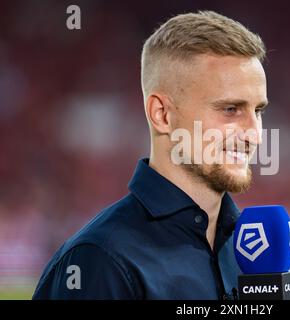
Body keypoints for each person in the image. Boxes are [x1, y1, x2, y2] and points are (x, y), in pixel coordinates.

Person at [33, 10, 268, 299]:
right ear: (162, 114)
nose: (254, 134)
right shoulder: (101, 260)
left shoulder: (252, 250)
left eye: (258, 111)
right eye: (230, 109)